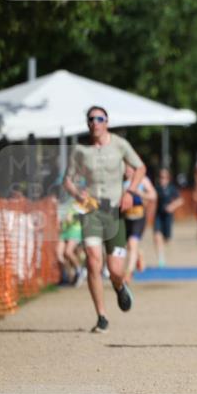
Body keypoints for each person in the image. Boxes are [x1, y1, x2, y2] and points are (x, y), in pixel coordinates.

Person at [63, 106, 142, 333]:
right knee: (93, 261)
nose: (95, 122)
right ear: (87, 123)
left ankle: (119, 286)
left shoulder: (120, 144)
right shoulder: (80, 150)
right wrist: (78, 194)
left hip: (114, 212)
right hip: (91, 211)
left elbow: (140, 168)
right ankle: (102, 316)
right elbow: (67, 180)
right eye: (91, 119)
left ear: (107, 122)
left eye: (99, 118)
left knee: (115, 269)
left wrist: (130, 192)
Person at [121, 165, 157, 282]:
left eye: (129, 169)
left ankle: (129, 272)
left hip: (139, 216)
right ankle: (139, 253)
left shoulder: (143, 180)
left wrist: (140, 193)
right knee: (128, 245)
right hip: (125, 217)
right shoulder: (121, 182)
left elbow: (153, 195)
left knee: (132, 243)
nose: (127, 171)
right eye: (125, 169)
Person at [152, 168, 183, 267]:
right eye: (161, 177)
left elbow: (180, 200)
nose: (162, 179)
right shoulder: (156, 188)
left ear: (168, 178)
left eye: (164, 177)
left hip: (168, 217)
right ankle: (161, 258)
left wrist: (172, 206)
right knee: (157, 236)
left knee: (167, 239)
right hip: (158, 215)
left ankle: (163, 247)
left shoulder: (172, 188)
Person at [56, 193, 85, 286]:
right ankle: (69, 275)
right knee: (59, 255)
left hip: (74, 230)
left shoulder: (77, 203)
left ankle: (79, 270)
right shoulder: (62, 204)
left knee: (68, 252)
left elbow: (80, 216)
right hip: (64, 231)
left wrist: (72, 218)